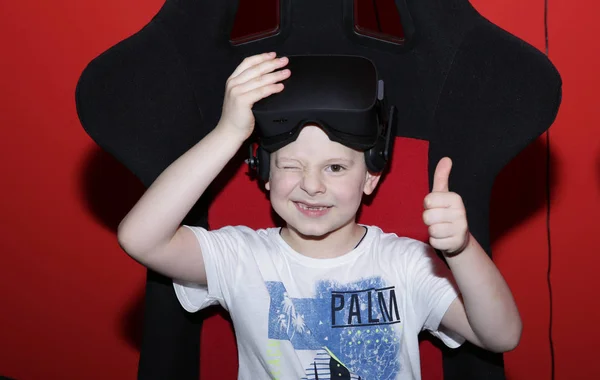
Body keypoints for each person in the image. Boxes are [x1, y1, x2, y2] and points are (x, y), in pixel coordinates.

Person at [117, 52, 522, 380]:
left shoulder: (408, 265)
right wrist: (228, 132)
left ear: (371, 177)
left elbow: (502, 335)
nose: (312, 185)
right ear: (264, 174)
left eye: (336, 168)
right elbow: (141, 238)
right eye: (291, 165)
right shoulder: (242, 257)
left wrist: (462, 249)